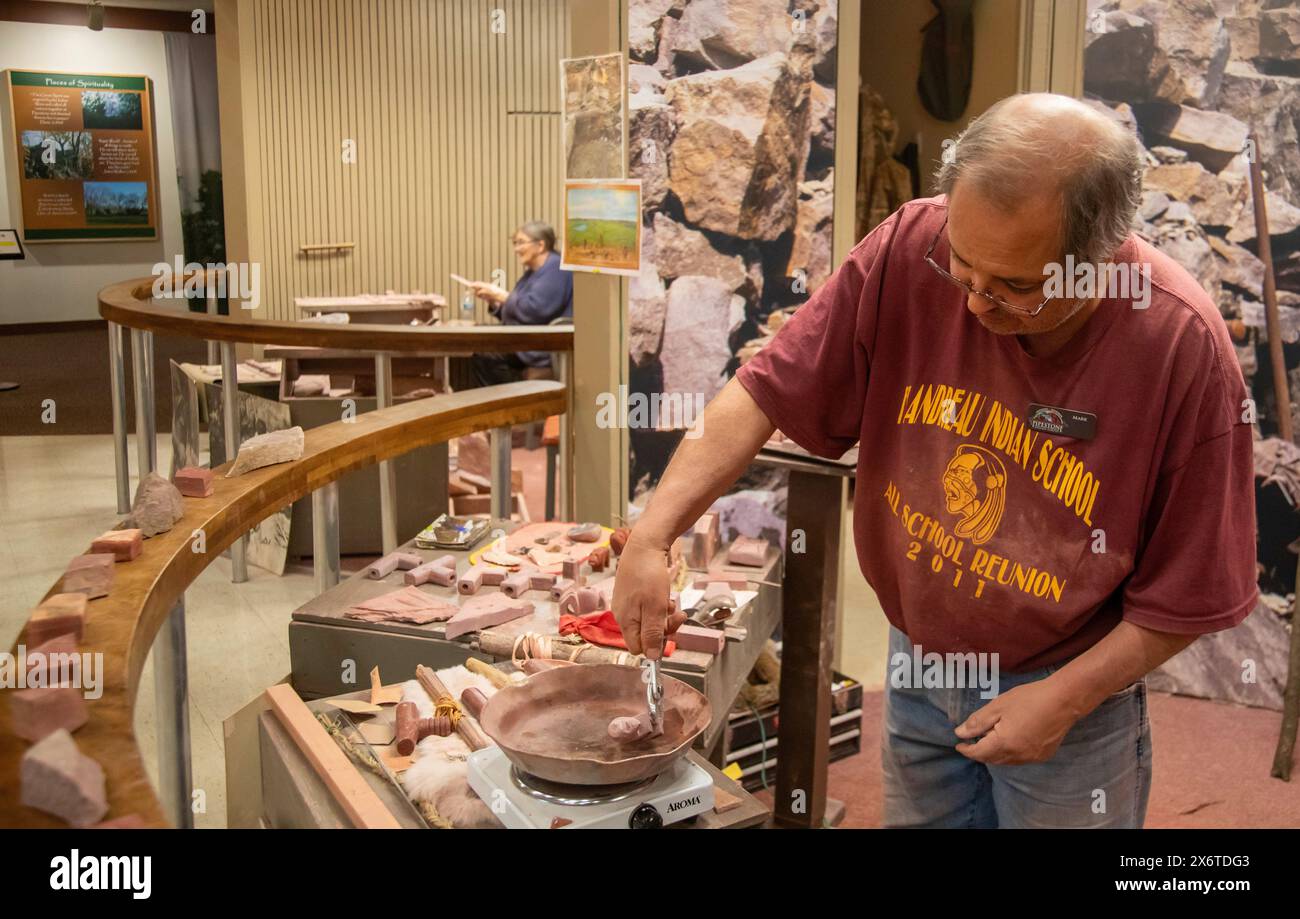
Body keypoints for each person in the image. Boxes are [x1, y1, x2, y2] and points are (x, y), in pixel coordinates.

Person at [612, 93, 1258, 828]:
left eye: (1016, 286)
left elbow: (1189, 596)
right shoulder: (910, 245)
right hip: (920, 662)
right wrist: (652, 535)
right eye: (962, 266)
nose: (976, 303)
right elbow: (761, 392)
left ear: (1097, 258)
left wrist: (1065, 699)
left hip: (1068, 691)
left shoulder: (1180, 348)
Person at [468, 221, 573, 386]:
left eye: (521, 242)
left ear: (540, 245)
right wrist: (494, 301)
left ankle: (512, 397)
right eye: (515, 243)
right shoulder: (532, 273)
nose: (516, 249)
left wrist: (500, 295)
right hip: (526, 340)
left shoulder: (556, 269)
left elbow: (536, 310)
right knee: (482, 343)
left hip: (542, 347)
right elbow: (518, 309)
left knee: (486, 353)